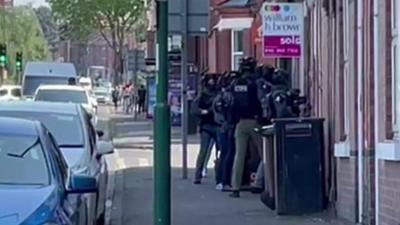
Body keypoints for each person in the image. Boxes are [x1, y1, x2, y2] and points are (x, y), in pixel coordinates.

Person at [229, 57, 263, 198]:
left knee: (239, 156)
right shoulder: (255, 83)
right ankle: (261, 183)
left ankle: (235, 187)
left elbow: (231, 103)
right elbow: (261, 101)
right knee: (265, 154)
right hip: (254, 122)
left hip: (240, 123)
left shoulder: (236, 83)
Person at [191, 74, 219, 184]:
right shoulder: (203, 95)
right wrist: (204, 112)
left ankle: (201, 176)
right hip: (209, 126)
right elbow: (194, 109)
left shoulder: (208, 94)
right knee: (204, 151)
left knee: (206, 151)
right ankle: (198, 176)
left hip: (212, 126)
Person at [213, 72, 237, 191]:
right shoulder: (225, 97)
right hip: (224, 128)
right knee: (227, 153)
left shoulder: (221, 96)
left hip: (223, 127)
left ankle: (222, 180)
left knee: (225, 153)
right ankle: (223, 180)